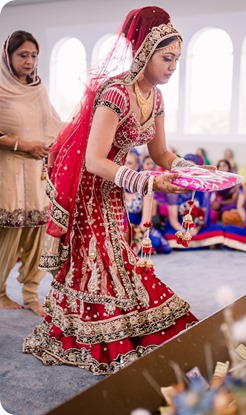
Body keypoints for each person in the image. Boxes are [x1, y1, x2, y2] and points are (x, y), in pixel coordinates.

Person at [23, 7, 202, 375]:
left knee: (117, 259)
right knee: (97, 262)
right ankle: (92, 325)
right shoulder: (115, 93)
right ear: (144, 53)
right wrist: (146, 182)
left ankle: (121, 319)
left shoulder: (156, 98)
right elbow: (92, 160)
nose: (172, 67)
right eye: (166, 58)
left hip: (115, 188)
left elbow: (160, 152)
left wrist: (191, 169)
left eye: (177, 60)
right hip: (90, 188)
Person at [0, 31, 63, 316]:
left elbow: (51, 122)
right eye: (22, 55)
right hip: (8, 171)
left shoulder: (38, 88)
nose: (29, 61)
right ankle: (0, 292)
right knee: (8, 235)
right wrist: (21, 144)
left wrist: (51, 145)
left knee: (38, 233)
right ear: (8, 56)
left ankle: (30, 293)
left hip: (37, 170)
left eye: (34, 55)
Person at [210, 159, 240, 224]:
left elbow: (234, 200)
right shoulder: (215, 181)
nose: (221, 168)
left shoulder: (235, 181)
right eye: (220, 166)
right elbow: (211, 196)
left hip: (228, 204)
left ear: (229, 168)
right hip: (216, 204)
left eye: (224, 166)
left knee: (232, 206)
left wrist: (220, 203)